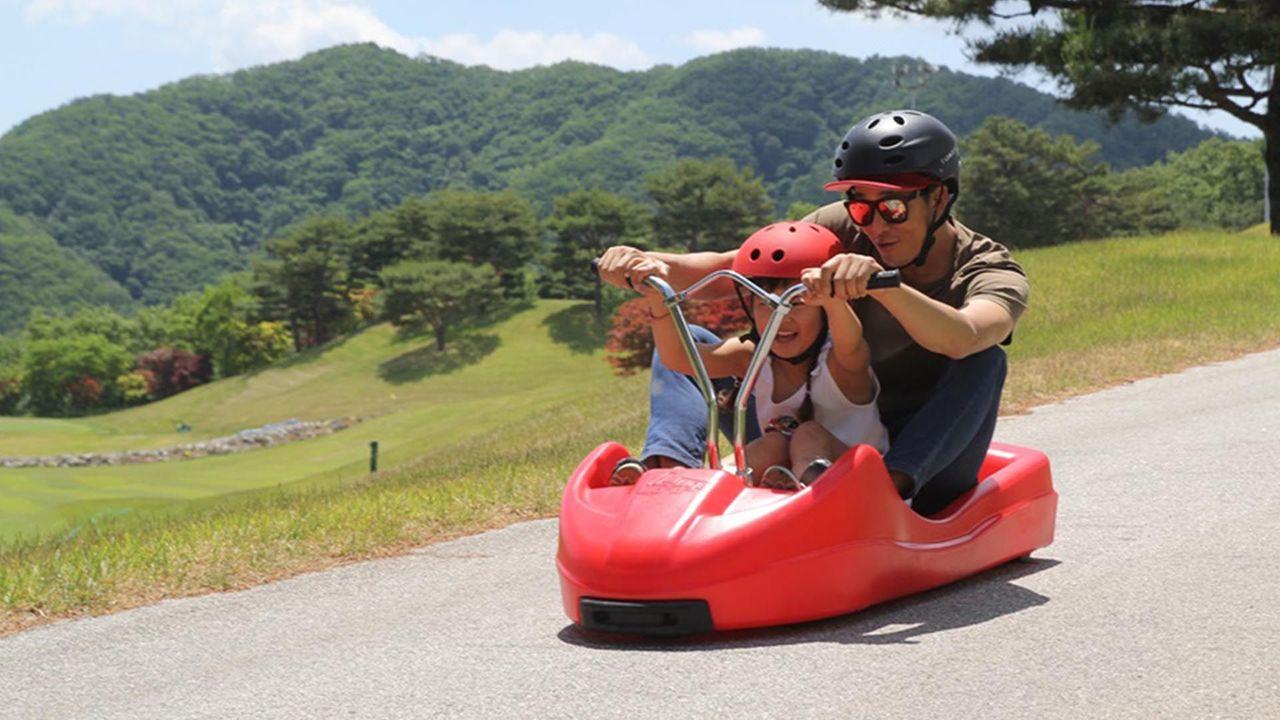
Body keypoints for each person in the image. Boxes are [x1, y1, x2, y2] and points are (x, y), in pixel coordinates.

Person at [600, 110, 1028, 516]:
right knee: (692, 340)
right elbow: (748, 268)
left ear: (938, 198)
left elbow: (966, 334)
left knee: (984, 359)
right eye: (861, 207)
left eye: (894, 208)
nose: (877, 226)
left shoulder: (989, 270)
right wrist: (646, 265)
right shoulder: (843, 228)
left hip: (924, 460)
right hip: (803, 434)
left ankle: (887, 491)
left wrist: (885, 283)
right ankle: (667, 472)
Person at [631, 221, 889, 490]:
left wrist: (832, 298)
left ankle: (806, 487)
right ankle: (703, 485)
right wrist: (656, 298)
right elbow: (678, 358)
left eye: (797, 303)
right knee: (776, 442)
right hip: (783, 472)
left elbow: (850, 341)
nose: (781, 317)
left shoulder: (841, 363)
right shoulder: (753, 356)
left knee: (807, 434)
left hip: (864, 487)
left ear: (823, 312)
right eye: (765, 303)